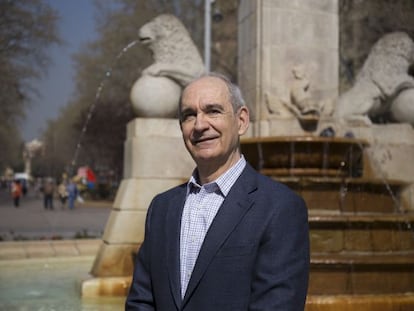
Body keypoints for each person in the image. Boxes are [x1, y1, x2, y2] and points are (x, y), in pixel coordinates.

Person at [125, 73, 310, 310]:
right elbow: (140, 301)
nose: (200, 125)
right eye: (189, 115)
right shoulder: (161, 208)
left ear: (241, 121)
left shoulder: (280, 207)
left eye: (213, 111)